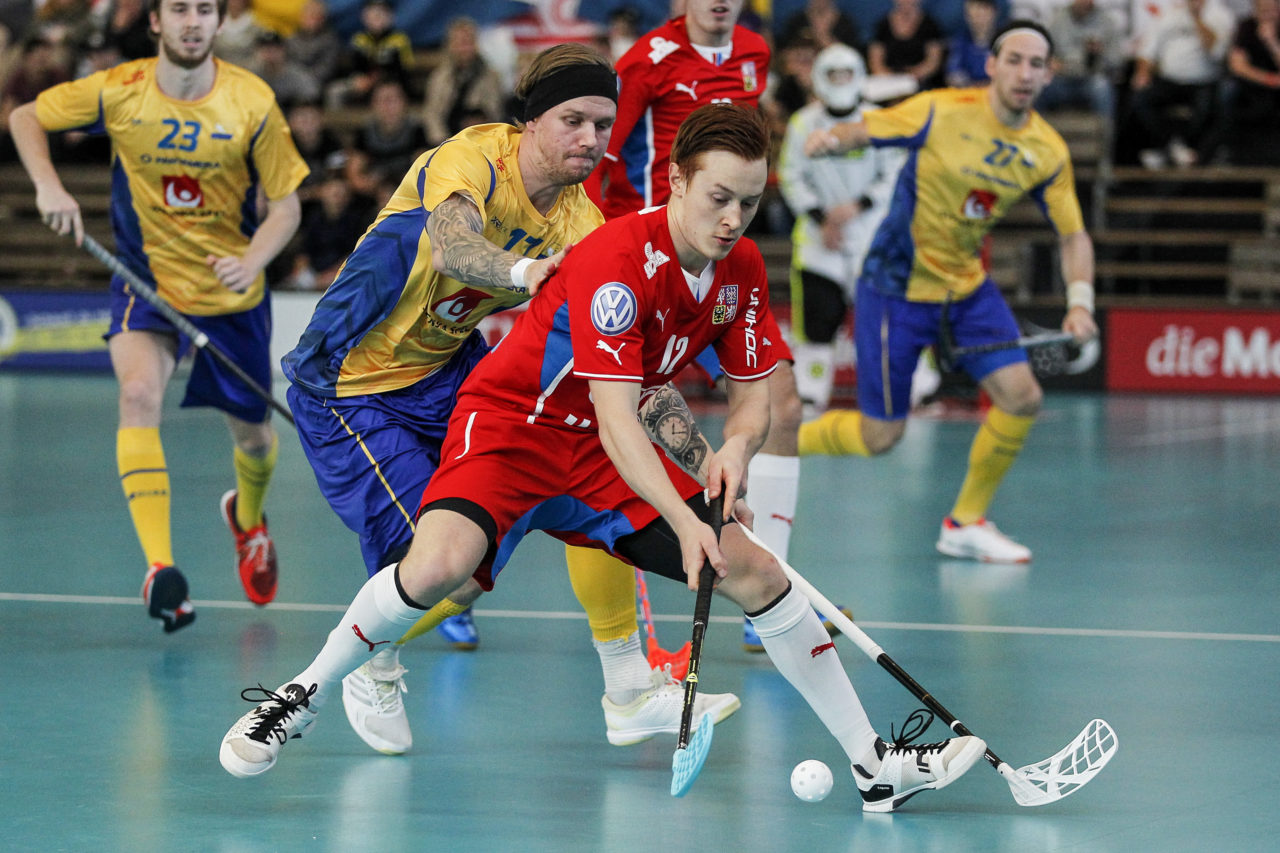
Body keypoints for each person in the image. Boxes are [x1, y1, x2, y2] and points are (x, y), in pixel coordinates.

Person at [219, 104, 988, 814]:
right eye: (718, 196)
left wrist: (731, 454)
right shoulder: (616, 257)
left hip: (591, 452)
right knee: (437, 566)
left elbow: (757, 391)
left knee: (755, 570)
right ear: (678, 180)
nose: (732, 218)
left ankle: (873, 761)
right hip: (515, 429)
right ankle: (301, 694)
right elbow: (623, 417)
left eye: (748, 203)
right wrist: (684, 516)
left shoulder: (742, 268)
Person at [276, 45, 739, 757]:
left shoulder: (586, 226)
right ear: (529, 121)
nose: (590, 139)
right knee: (447, 572)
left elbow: (635, 372)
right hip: (351, 384)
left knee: (584, 452)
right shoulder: (470, 161)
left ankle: (630, 683)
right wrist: (527, 271)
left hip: (448, 372)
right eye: (572, 120)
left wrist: (705, 459)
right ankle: (370, 662)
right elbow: (452, 243)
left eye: (602, 124)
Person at [9, 0, 308, 630]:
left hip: (230, 293)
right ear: (155, 22)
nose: (192, 21)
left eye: (204, 9)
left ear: (220, 22)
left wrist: (254, 261)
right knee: (138, 395)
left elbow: (286, 207)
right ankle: (160, 569)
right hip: (145, 282)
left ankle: (248, 521)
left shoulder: (252, 101)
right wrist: (47, 184)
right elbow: (26, 116)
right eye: (179, 9)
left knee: (253, 437)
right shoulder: (120, 90)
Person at [800, 19, 1099, 564]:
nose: (1024, 73)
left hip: (965, 287)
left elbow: (1073, 234)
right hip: (895, 285)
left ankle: (965, 521)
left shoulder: (1047, 151)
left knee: (1022, 396)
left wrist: (1080, 301)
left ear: (1050, 75)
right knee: (879, 437)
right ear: (992, 64)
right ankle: (780, 445)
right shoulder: (942, 108)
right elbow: (867, 128)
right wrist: (830, 139)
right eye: (1014, 59)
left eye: (1037, 64)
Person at [587, 0, 830, 655]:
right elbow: (601, 156)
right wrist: (600, 246)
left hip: (716, 254)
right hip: (647, 254)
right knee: (597, 433)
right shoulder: (646, 62)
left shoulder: (754, 50)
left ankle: (770, 586)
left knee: (782, 402)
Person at [778, 43, 902, 416]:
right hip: (820, 242)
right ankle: (812, 393)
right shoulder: (803, 123)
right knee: (818, 319)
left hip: (871, 236)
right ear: (819, 78)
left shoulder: (878, 120)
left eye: (847, 74)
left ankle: (906, 390)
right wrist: (821, 218)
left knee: (884, 320)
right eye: (833, 75)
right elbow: (790, 177)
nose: (840, 82)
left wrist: (858, 206)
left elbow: (894, 173)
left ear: (860, 76)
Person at [1128, 0, 1234, 169]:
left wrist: (1196, 18)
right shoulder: (1171, 13)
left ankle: (1190, 150)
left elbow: (1216, 51)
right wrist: (1143, 72)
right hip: (1169, 80)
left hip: (1203, 81)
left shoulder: (1219, 14)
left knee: (1207, 106)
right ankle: (1172, 146)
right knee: (1140, 99)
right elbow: (1147, 50)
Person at [421, 16, 504, 147]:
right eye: (459, 43)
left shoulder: (490, 77)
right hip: (444, 143)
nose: (464, 48)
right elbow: (432, 115)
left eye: (468, 42)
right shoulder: (440, 77)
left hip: (478, 142)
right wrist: (443, 143)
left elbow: (495, 115)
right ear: (450, 45)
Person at [1038, 0, 1120, 118]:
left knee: (1102, 87)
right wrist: (1051, 62)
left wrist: (1101, 54)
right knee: (1039, 85)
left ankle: (1106, 135)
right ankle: (1033, 133)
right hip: (1062, 80)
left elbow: (1117, 60)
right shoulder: (1058, 20)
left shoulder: (1107, 22)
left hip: (1091, 79)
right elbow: (1044, 52)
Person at [1223, 0, 1280, 165]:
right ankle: (1229, 149)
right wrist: (1268, 79)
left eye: (1271, 9)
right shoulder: (1246, 27)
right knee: (1228, 92)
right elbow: (1237, 65)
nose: (1267, 14)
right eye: (1263, 10)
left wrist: (1272, 43)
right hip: (1255, 84)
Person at [867, 0, 947, 91]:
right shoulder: (882, 25)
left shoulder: (931, 25)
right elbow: (875, 62)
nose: (906, 1)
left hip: (920, 82)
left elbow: (933, 62)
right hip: (888, 81)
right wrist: (889, 78)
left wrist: (914, 75)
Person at [946, 0, 1000, 88]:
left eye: (981, 14)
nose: (977, 19)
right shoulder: (960, 40)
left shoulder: (1004, 41)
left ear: (994, 12)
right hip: (968, 94)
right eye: (972, 14)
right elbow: (952, 74)